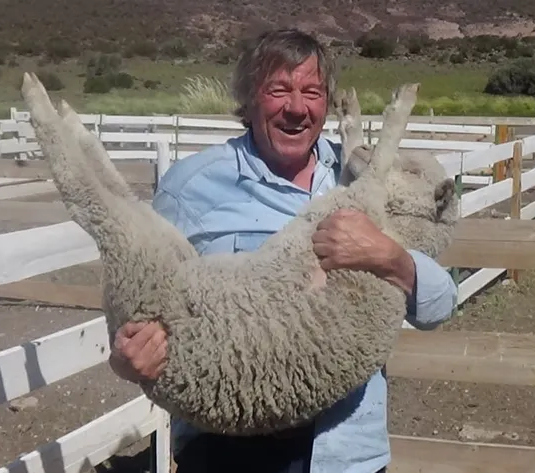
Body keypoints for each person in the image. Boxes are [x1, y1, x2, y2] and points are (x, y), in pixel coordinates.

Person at [108, 28, 457, 473]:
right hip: (228, 444)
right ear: (249, 99)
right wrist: (126, 361)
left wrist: (389, 256)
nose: (296, 107)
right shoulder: (190, 187)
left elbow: (440, 305)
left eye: (312, 92)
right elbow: (136, 306)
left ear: (326, 103)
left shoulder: (362, 175)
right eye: (278, 90)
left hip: (346, 453)